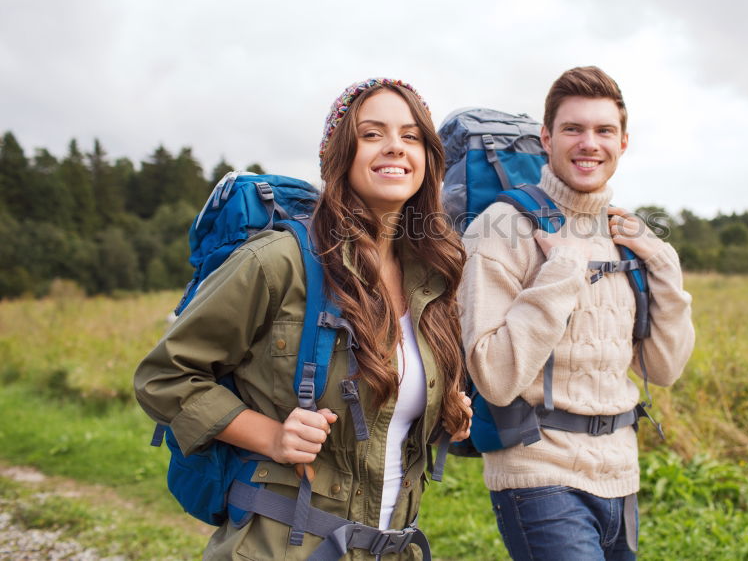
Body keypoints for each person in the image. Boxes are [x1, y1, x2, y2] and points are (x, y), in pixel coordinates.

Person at [135, 77, 472, 560]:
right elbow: (164, 376)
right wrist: (270, 435)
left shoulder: (432, 276)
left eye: (411, 135)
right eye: (372, 134)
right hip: (280, 546)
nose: (395, 147)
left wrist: (444, 410)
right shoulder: (279, 261)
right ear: (339, 154)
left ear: (429, 159)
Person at [458, 66, 696, 560]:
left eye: (603, 130)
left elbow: (663, 369)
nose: (590, 143)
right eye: (573, 129)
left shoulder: (624, 231)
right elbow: (495, 377)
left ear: (623, 142)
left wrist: (664, 268)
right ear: (547, 138)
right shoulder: (502, 227)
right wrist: (562, 270)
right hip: (536, 469)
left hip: (620, 470)